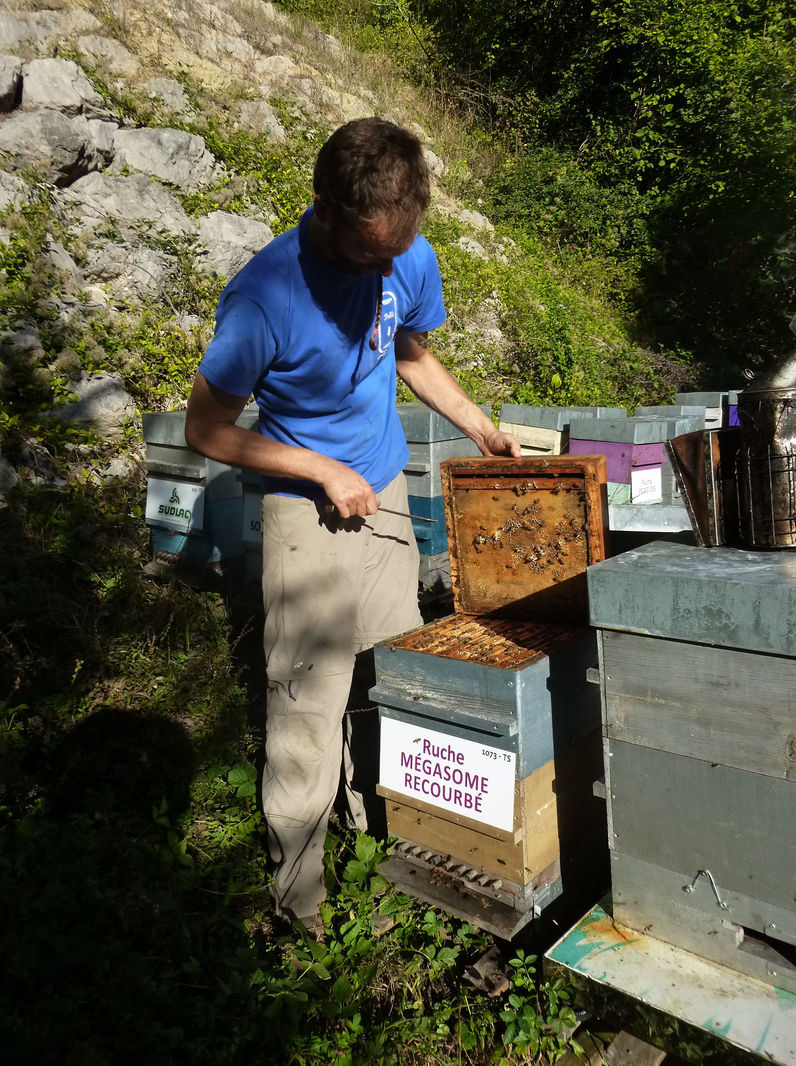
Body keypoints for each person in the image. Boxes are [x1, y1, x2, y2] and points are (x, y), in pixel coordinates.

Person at [184, 117, 520, 932]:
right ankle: (298, 907)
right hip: (307, 508)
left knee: (394, 685)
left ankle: (390, 857)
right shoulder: (264, 298)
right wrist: (319, 468)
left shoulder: (409, 253)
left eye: (393, 255)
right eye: (369, 256)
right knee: (307, 710)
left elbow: (409, 352)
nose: (384, 269)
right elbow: (205, 429)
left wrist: (478, 424)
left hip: (385, 495)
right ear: (325, 207)